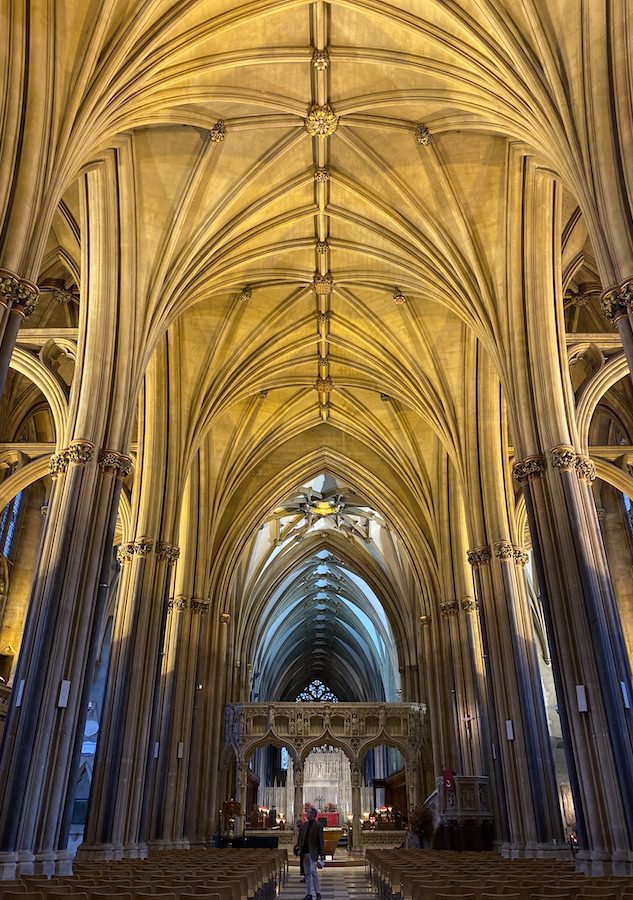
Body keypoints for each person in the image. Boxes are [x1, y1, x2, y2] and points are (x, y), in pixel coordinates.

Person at [297, 806, 325, 900]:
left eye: (308, 813)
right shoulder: (304, 825)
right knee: (307, 874)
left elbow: (321, 841)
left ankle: (318, 892)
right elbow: (302, 839)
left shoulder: (318, 825)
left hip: (313, 853)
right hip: (304, 853)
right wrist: (300, 849)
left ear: (313, 814)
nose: (306, 814)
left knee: (313, 872)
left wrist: (322, 857)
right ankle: (309, 894)